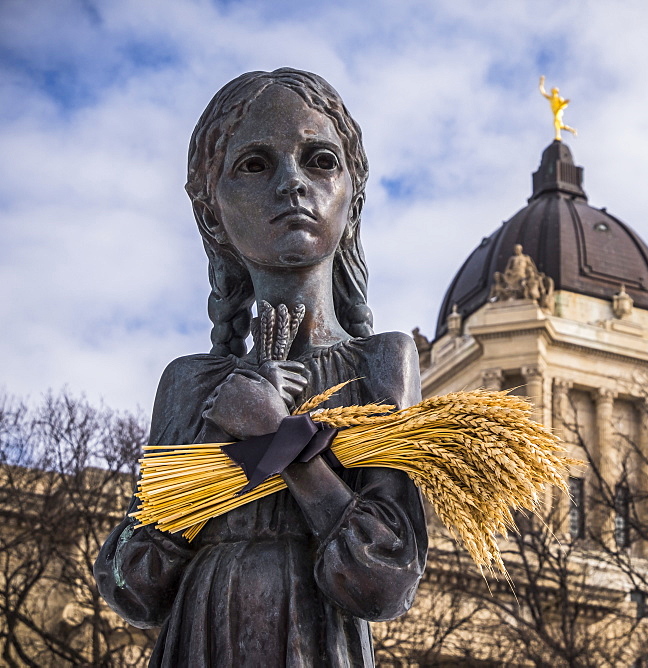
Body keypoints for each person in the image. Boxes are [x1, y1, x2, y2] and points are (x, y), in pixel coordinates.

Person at [94, 69, 427, 667]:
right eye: (254, 164)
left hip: (317, 645)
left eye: (320, 160)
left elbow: (384, 581)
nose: (292, 184)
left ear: (353, 198)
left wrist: (281, 441)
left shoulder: (382, 362)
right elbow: (134, 585)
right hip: (201, 641)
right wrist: (222, 430)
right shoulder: (188, 383)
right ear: (212, 213)